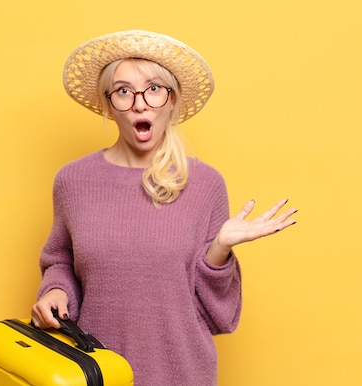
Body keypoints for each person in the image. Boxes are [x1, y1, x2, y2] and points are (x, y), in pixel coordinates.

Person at [31, 30, 298, 386]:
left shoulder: (206, 184)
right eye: (124, 91)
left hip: (182, 374)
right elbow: (61, 260)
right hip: (97, 374)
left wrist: (219, 250)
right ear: (109, 105)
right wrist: (55, 290)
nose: (140, 103)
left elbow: (218, 314)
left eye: (154, 88)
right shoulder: (73, 181)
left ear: (172, 101)